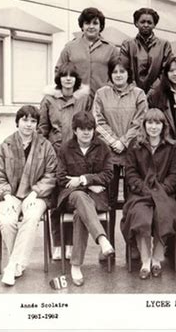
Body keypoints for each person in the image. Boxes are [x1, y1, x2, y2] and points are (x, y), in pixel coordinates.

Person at [0, 105, 57, 286]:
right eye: (25, 120)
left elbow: (51, 174)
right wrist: (6, 195)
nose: (29, 125)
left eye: (33, 121)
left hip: (37, 196)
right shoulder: (6, 145)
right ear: (17, 122)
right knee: (6, 221)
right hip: (10, 195)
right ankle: (17, 264)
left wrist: (35, 192)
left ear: (37, 124)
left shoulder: (45, 146)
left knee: (32, 216)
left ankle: (11, 266)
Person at [93, 56, 147, 251]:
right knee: (108, 201)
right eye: (114, 72)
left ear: (128, 74)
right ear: (110, 74)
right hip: (109, 155)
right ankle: (108, 246)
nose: (118, 75)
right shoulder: (101, 94)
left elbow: (140, 121)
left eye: (122, 72)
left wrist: (124, 141)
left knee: (133, 202)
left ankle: (133, 246)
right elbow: (97, 120)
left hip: (132, 154)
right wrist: (112, 141)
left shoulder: (139, 94)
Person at [56, 111, 115, 286]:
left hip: (96, 198)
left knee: (80, 215)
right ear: (75, 130)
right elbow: (61, 178)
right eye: (82, 129)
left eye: (90, 128)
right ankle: (102, 240)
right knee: (80, 197)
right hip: (70, 197)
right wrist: (89, 184)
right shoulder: (65, 149)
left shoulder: (103, 147)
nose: (86, 132)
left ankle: (75, 265)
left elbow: (108, 174)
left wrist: (82, 180)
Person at [39, 62, 90, 261]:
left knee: (71, 197)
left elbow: (88, 124)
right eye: (64, 75)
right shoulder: (49, 100)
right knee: (55, 199)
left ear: (76, 79)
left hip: (76, 155)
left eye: (71, 75)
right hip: (54, 153)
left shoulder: (84, 99)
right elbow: (42, 128)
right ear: (59, 79)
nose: (67, 79)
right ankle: (58, 243)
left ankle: (70, 244)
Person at [121, 109, 176, 279]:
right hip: (140, 194)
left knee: (166, 214)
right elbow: (131, 173)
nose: (153, 127)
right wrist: (144, 189)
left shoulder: (172, 146)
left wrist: (161, 190)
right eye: (150, 123)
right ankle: (145, 260)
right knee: (140, 216)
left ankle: (157, 258)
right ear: (144, 125)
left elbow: (174, 174)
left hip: (164, 193)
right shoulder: (135, 145)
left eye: (158, 123)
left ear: (164, 126)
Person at [55, 7, 118, 106]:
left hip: (103, 103)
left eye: (95, 23)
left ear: (101, 26)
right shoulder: (70, 47)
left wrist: (109, 91)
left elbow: (119, 73)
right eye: (87, 23)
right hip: (75, 102)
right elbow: (59, 71)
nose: (91, 26)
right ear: (82, 26)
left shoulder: (111, 49)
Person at [121, 8, 172, 95]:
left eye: (149, 22)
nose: (146, 25)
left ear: (154, 25)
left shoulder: (164, 45)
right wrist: (134, 89)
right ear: (136, 23)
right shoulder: (127, 44)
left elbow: (166, 70)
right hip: (131, 92)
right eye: (142, 22)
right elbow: (123, 68)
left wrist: (154, 89)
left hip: (157, 93)